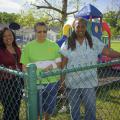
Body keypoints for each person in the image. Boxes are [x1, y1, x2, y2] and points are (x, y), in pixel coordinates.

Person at [59, 18, 120, 120]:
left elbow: (108, 52)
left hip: (89, 82)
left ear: (86, 27)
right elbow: (63, 63)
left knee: (91, 109)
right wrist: (62, 80)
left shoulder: (93, 41)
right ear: (74, 27)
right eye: (78, 26)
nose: (80, 29)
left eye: (83, 26)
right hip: (72, 82)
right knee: (74, 110)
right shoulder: (68, 42)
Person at [20, 22, 61, 120]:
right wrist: (28, 82)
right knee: (36, 110)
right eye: (39, 32)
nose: (42, 34)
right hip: (35, 83)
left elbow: (59, 62)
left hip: (52, 82)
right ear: (35, 32)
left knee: (49, 109)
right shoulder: (28, 47)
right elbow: (24, 66)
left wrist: (51, 66)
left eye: (44, 31)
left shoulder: (54, 45)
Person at [0, 27, 24, 120]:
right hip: (5, 83)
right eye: (4, 36)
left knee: (16, 106)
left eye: (9, 35)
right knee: (9, 108)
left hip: (18, 81)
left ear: (13, 36)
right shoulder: (1, 50)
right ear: (1, 38)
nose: (8, 37)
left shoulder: (17, 48)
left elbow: (21, 63)